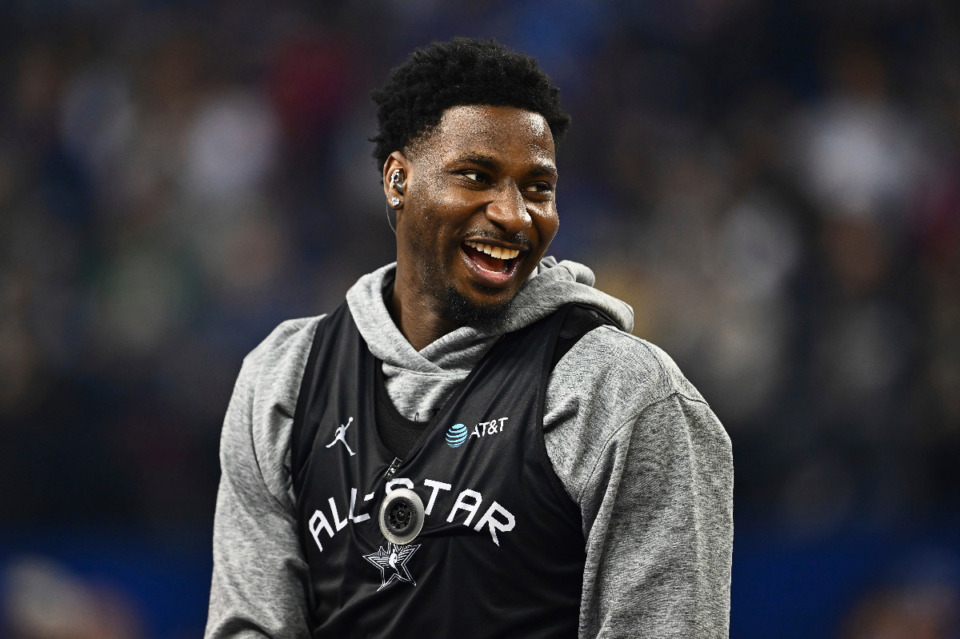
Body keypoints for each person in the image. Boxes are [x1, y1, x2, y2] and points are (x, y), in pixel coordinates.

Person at [204, 37, 733, 638]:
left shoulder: (621, 394)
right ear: (397, 180)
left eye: (538, 188)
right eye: (476, 176)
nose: (514, 215)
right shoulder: (285, 379)